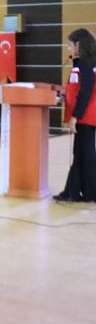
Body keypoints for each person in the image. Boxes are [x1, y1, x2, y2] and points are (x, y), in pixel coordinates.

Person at [57, 28, 96, 202]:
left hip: (85, 116)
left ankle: (84, 193)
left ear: (78, 44)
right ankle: (77, 192)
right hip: (85, 115)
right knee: (81, 154)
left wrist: (75, 116)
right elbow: (77, 87)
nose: (68, 48)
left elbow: (86, 91)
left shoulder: (87, 62)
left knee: (84, 154)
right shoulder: (82, 62)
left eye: (69, 45)